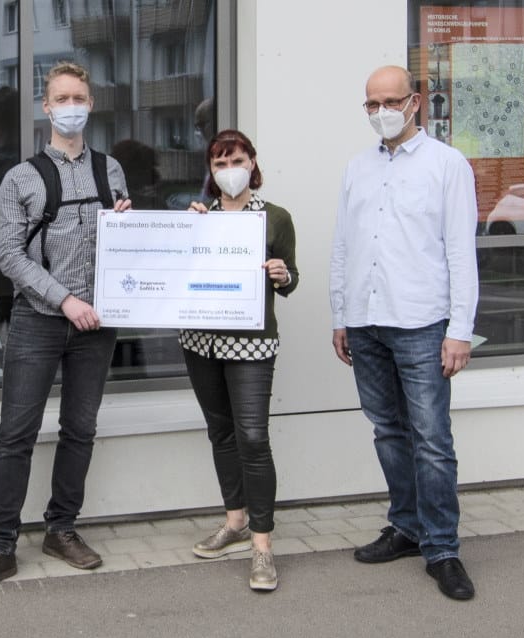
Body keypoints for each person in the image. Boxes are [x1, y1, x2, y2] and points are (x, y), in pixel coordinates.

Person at [0, 61, 130, 592]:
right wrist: (65, 299)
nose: (71, 105)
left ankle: (62, 529)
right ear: (46, 107)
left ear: (90, 103)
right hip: (37, 321)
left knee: (80, 429)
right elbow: (9, 256)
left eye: (80, 96)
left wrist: (127, 228)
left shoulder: (111, 170)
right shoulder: (20, 178)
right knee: (16, 435)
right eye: (61, 98)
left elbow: (121, 245)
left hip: (97, 324)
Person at [329, 66, 479, 600]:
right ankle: (408, 526)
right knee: (388, 431)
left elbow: (461, 251)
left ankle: (443, 548)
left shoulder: (447, 165)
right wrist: (340, 315)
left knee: (432, 439)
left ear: (415, 102)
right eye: (371, 104)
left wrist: (460, 330)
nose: (381, 112)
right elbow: (345, 245)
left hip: (421, 323)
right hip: (366, 323)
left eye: (390, 101)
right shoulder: (357, 168)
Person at [183, 129, 298, 591]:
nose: (229, 170)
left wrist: (282, 273)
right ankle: (235, 521)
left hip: (250, 343)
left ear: (252, 162)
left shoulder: (275, 218)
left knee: (253, 437)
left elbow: (291, 280)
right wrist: (185, 235)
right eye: (219, 164)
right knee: (222, 433)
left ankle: (263, 546)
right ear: (210, 173)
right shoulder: (201, 216)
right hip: (201, 342)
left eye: (236, 160)